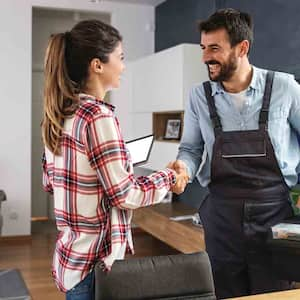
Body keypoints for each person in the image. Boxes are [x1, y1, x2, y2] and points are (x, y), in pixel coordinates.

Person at [41, 19, 188, 300]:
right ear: (98, 65)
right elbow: (125, 195)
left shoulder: (59, 114)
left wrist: (111, 164)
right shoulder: (98, 116)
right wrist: (169, 177)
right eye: (120, 58)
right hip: (95, 266)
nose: (123, 66)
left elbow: (52, 182)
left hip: (71, 260)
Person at [168, 8, 300, 299]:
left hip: (275, 216)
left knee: (275, 293)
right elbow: (191, 149)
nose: (205, 57)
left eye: (214, 48)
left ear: (243, 47)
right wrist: (183, 169)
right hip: (222, 219)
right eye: (203, 48)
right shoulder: (199, 96)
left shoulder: (285, 88)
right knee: (226, 293)